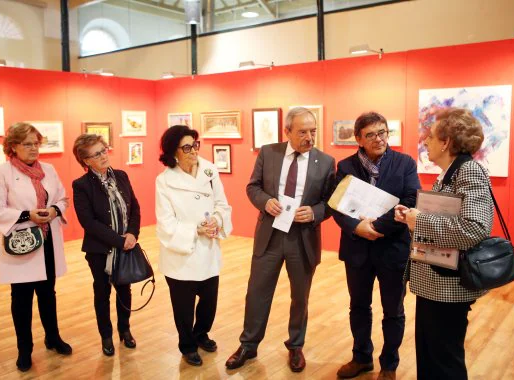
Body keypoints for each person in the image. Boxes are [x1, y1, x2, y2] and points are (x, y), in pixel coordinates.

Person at [225, 107, 336, 372]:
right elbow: (252, 187)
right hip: (270, 236)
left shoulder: (326, 161)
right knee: (256, 294)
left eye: (313, 131)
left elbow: (331, 202)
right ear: (287, 131)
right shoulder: (268, 153)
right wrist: (265, 202)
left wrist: (315, 212)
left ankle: (295, 346)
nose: (309, 137)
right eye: (302, 132)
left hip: (303, 239)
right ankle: (248, 345)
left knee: (301, 297)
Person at [395, 108, 493, 380]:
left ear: (446, 141)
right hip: (435, 283)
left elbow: (475, 228)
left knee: (444, 361)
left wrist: (420, 221)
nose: (425, 141)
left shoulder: (469, 171)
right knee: (430, 355)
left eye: (430, 136)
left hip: (448, 287)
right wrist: (411, 218)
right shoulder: (451, 171)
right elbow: (447, 219)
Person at [332, 112, 421, 380]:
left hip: (393, 249)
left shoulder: (404, 163)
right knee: (358, 306)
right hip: (357, 249)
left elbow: (409, 200)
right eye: (370, 134)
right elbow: (336, 204)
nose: (379, 138)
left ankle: (389, 365)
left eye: (383, 132)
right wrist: (356, 227)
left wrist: (377, 228)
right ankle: (361, 358)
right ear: (358, 139)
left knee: (393, 310)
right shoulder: (346, 166)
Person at [0, 122, 72, 372]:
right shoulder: (1, 172)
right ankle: (25, 349)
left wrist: (54, 210)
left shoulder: (49, 169)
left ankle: (52, 338)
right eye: (28, 144)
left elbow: (63, 199)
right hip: (22, 243)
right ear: (13, 147)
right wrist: (27, 215)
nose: (34, 148)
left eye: (37, 143)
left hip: (47, 243)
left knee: (48, 294)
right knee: (21, 300)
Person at [156, 125, 232, 367]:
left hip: (208, 248)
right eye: (186, 147)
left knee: (209, 302)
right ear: (173, 152)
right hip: (181, 254)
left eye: (195, 145)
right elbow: (166, 221)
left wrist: (216, 221)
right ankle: (187, 345)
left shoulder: (209, 170)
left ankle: (201, 334)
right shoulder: (165, 180)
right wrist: (195, 230)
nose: (193, 151)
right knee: (184, 308)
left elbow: (222, 204)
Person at [72, 134, 141, 356]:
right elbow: (88, 222)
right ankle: (106, 336)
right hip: (99, 251)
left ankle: (125, 330)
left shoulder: (121, 176)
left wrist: (132, 233)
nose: (103, 156)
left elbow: (135, 208)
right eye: (96, 154)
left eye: (104, 150)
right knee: (102, 293)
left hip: (125, 246)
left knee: (124, 290)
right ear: (85, 161)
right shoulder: (81, 185)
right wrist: (119, 241)